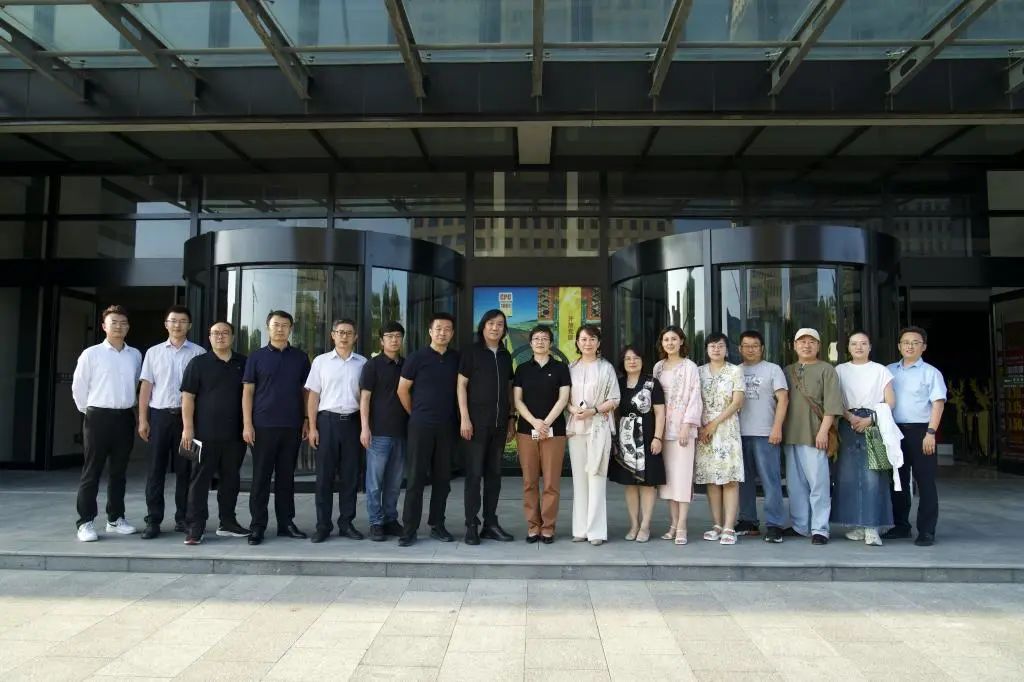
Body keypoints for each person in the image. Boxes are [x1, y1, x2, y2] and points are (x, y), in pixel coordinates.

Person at [71, 304, 143, 542]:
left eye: (123, 323)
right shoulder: (91, 354)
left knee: (119, 472)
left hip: (124, 416)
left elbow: (136, 384)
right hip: (97, 417)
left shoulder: (135, 355)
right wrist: (89, 411)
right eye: (114, 323)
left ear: (128, 327)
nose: (119, 327)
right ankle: (85, 522)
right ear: (104, 326)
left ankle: (115, 518)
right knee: (92, 471)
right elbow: (79, 387)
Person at [242, 310, 311, 546]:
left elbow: (306, 391)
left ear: (291, 328)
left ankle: (286, 523)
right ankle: (257, 526)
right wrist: (247, 424)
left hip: (291, 425)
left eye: (284, 325)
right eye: (275, 325)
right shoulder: (256, 357)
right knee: (260, 478)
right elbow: (248, 391)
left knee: (286, 477)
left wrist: (306, 419)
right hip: (262, 425)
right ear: (268, 328)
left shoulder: (300, 358)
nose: (280, 329)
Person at [138, 305, 205, 539]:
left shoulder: (199, 353)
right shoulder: (153, 352)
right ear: (166, 324)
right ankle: (153, 520)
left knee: (187, 470)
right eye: (173, 320)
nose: (177, 325)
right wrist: (143, 419)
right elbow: (146, 387)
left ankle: (184, 518)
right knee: (155, 470)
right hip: (159, 418)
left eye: (182, 321)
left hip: (189, 422)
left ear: (189, 325)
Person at [180, 321, 250, 544]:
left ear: (233, 337)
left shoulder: (244, 363)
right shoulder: (198, 363)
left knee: (231, 480)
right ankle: (195, 526)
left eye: (225, 333)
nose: (220, 336)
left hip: (235, 435)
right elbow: (187, 397)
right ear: (209, 337)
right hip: (202, 435)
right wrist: (187, 429)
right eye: (215, 333)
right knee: (199, 481)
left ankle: (227, 522)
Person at [397, 312, 460, 547]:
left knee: (443, 479)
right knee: (415, 478)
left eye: (447, 329)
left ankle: (437, 524)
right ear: (430, 332)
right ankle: (409, 529)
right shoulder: (417, 358)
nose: (442, 333)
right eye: (438, 328)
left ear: (452, 333)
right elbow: (402, 390)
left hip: (447, 426)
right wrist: (415, 413)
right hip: (421, 426)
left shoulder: (456, 359)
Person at [884, 326, 947, 547]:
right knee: (897, 481)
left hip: (922, 432)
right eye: (906, 342)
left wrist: (931, 433)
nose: (910, 346)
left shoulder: (931, 373)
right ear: (899, 346)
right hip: (894, 431)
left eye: (915, 342)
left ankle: (927, 530)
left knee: (925, 482)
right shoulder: (889, 370)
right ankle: (901, 526)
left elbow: (938, 404)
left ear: (924, 347)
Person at [306, 319, 367, 544]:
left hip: (353, 423)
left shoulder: (363, 363)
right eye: (340, 332)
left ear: (355, 337)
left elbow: (366, 397)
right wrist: (312, 427)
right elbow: (313, 396)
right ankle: (323, 525)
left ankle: (346, 523)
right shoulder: (321, 362)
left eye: (349, 333)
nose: (344, 336)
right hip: (327, 422)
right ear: (332, 335)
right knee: (324, 477)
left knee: (350, 476)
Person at [457, 309, 515, 545]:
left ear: (504, 329)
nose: (495, 328)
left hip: (499, 425)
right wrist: (464, 417)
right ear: (483, 326)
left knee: (494, 476)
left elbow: (509, 388)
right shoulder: (470, 352)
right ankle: (471, 525)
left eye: (500, 324)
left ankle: (491, 523)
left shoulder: (505, 355)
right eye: (491, 323)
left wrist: (511, 419)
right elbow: (461, 385)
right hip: (475, 424)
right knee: (474, 476)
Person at [834, 332, 897, 547]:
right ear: (848, 347)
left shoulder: (881, 370)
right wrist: (850, 417)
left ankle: (872, 526)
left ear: (870, 347)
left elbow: (890, 401)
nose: (858, 347)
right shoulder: (840, 370)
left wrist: (870, 419)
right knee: (848, 475)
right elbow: (835, 399)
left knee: (873, 476)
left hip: (874, 423)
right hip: (848, 423)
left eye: (863, 343)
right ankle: (858, 525)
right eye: (854, 343)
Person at [783, 327, 844, 545]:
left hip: (815, 434)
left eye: (811, 342)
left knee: (819, 484)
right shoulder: (787, 370)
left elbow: (832, 405)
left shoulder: (827, 370)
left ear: (819, 346)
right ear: (794, 345)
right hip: (790, 435)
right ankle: (800, 525)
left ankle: (820, 528)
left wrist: (823, 431)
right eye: (802, 341)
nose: (806, 345)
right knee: (795, 485)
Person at [513, 325, 571, 543]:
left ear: (551, 343)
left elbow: (563, 399)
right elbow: (517, 400)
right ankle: (533, 526)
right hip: (526, 431)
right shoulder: (522, 369)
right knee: (529, 482)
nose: (540, 342)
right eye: (536, 338)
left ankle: (548, 526)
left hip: (554, 432)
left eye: (544, 338)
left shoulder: (561, 368)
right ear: (530, 343)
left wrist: (545, 423)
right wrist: (534, 422)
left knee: (551, 482)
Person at [565, 325, 620, 546]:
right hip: (576, 428)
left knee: (596, 477)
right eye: (583, 339)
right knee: (579, 479)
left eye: (592, 339)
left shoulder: (606, 368)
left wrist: (593, 410)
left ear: (598, 342)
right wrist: (573, 409)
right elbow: (563, 397)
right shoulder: (570, 368)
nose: (587, 343)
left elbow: (614, 399)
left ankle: (596, 531)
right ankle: (580, 529)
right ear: (577, 342)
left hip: (599, 427)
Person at [736, 330, 790, 543]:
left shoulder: (773, 369)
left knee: (771, 480)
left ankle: (775, 524)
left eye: (755, 346)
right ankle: (748, 520)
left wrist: (776, 428)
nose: (750, 349)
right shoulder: (735, 370)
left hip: (765, 433)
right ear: (740, 349)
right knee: (744, 481)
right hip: (739, 434)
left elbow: (783, 399)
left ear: (762, 348)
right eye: (746, 346)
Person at [608, 345, 666, 543]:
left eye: (636, 358)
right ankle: (633, 524)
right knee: (630, 484)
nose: (632, 362)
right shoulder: (618, 383)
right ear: (622, 363)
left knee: (648, 484)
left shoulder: (652, 383)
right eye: (627, 358)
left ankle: (645, 525)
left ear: (642, 361)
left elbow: (660, 413)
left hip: (647, 436)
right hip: (625, 438)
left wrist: (658, 438)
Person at [653, 325, 702, 546]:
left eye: (674, 339)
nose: (670, 343)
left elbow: (695, 397)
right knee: (669, 481)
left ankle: (682, 525)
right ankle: (673, 524)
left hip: (682, 430)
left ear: (681, 341)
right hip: (663, 430)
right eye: (666, 340)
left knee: (682, 479)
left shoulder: (690, 367)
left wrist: (687, 425)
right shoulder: (658, 367)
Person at [360, 321, 408, 542]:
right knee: (375, 482)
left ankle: (390, 519)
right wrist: (365, 428)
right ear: (381, 341)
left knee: (394, 482)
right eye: (389, 336)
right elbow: (365, 398)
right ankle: (376, 522)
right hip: (378, 433)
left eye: (398, 336)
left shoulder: (407, 364)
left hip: (402, 432)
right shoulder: (372, 365)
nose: (394, 340)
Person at [696, 333, 746, 546]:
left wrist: (714, 424)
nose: (716, 349)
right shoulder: (699, 372)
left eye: (720, 346)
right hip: (703, 430)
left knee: (729, 479)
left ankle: (729, 526)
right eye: (712, 346)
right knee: (712, 479)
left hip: (726, 429)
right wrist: (701, 426)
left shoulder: (735, 371)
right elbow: (694, 401)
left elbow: (737, 402)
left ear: (727, 350)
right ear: (706, 349)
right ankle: (717, 524)